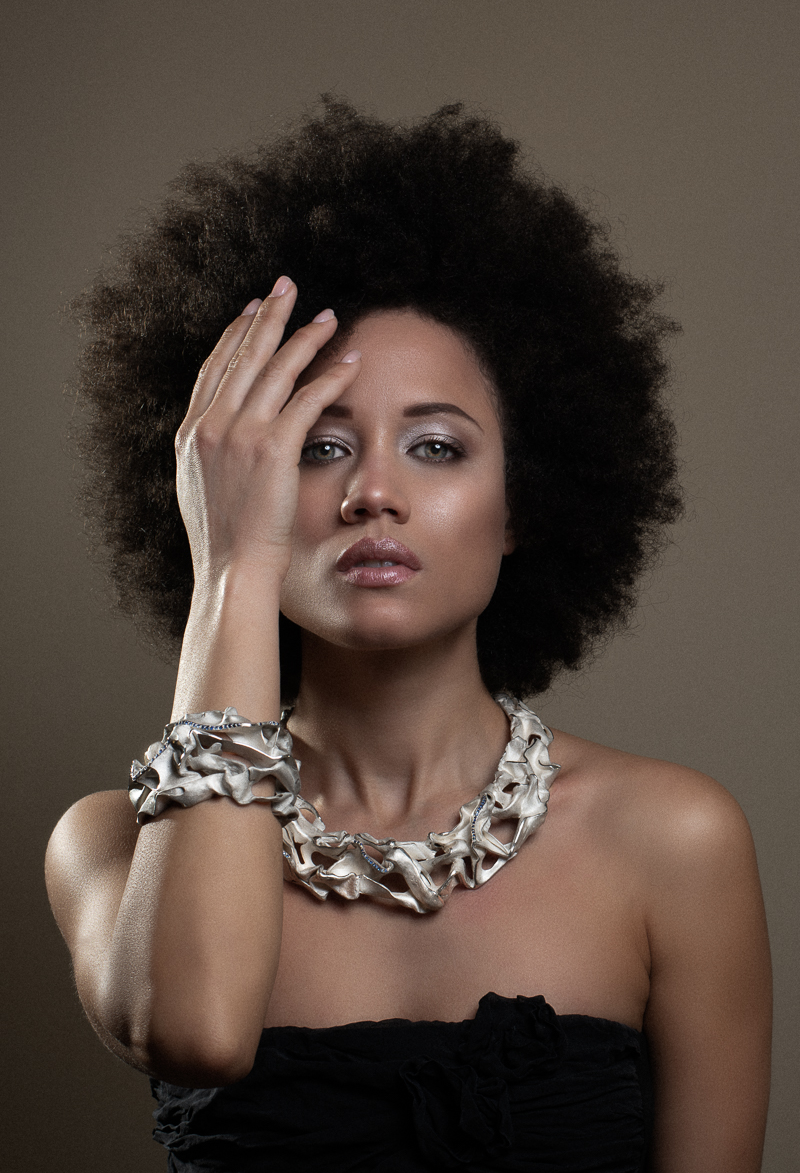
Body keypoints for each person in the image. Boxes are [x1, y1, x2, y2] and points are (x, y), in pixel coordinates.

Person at [44, 98, 771, 1172]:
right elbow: (195, 1032)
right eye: (314, 447)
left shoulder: (673, 841)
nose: (372, 492)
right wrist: (233, 567)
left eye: (435, 447)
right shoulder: (112, 845)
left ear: (521, 501)